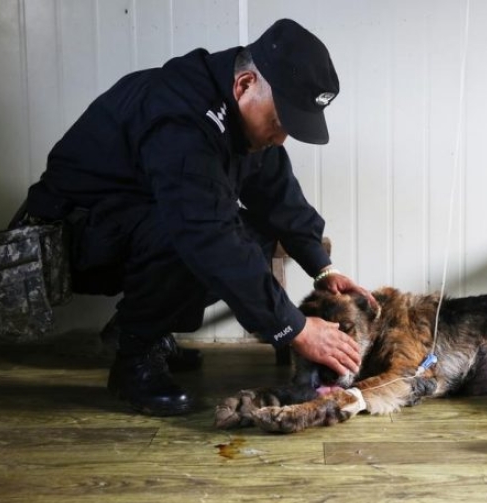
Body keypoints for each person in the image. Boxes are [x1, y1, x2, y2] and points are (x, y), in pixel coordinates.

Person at [23, 19, 374, 417]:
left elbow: (277, 196)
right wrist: (296, 327)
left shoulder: (243, 117)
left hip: (130, 227)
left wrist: (322, 268)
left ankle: (142, 329)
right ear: (244, 85)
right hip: (70, 239)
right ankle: (135, 357)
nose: (281, 138)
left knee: (255, 234)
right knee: (195, 234)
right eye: (279, 122)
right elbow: (203, 234)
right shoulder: (182, 116)